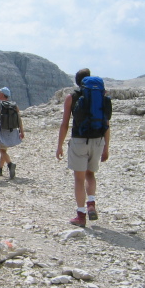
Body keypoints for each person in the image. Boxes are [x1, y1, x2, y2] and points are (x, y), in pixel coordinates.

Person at [56, 68, 111, 227]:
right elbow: (107, 125)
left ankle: (80, 216)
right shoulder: (101, 96)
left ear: (77, 82)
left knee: (79, 179)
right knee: (90, 174)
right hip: (98, 140)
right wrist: (106, 147)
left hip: (79, 141)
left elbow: (65, 124)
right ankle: (91, 203)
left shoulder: (71, 97)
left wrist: (59, 145)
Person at [0, 87, 24, 179]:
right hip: (13, 130)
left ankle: (10, 164)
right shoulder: (14, 105)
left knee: (2, 150)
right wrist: (21, 131)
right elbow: (19, 119)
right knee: (4, 150)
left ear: (3, 94)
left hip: (2, 130)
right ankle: (0, 169)